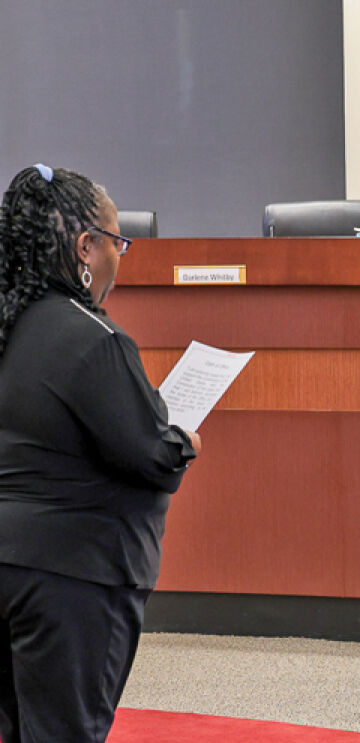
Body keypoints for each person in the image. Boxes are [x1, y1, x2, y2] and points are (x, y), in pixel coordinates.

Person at [0, 164, 201, 741]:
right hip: (71, 576)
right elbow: (151, 456)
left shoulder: (11, 327)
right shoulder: (95, 339)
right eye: (119, 242)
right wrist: (182, 441)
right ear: (86, 247)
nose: (121, 255)